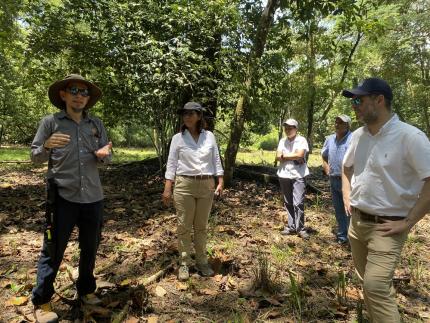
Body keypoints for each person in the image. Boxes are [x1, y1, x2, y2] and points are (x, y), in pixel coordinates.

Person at [341, 77, 430, 322]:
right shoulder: (359, 136)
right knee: (369, 284)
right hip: (357, 225)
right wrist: (347, 196)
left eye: (359, 100)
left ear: (379, 100)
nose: (354, 105)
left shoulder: (411, 137)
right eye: (353, 101)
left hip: (387, 227)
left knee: (375, 286)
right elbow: (346, 168)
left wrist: (408, 222)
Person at [31, 74, 112, 323]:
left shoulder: (95, 124)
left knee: (90, 247)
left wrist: (103, 155)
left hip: (93, 197)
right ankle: (42, 301)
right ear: (63, 95)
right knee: (54, 249)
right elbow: (35, 156)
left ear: (89, 99)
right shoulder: (51, 122)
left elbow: (107, 157)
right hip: (62, 197)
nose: (79, 95)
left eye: (84, 92)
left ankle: (86, 291)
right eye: (74, 90)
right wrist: (46, 147)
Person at [162, 102, 224, 281]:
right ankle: (184, 263)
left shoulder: (209, 136)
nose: (187, 116)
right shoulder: (178, 138)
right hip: (184, 185)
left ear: (199, 116)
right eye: (184, 113)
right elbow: (171, 164)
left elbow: (216, 160)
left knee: (201, 226)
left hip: (206, 185)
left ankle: (202, 261)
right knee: (184, 225)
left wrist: (220, 180)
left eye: (191, 113)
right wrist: (168, 188)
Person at [276, 118, 310, 239]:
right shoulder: (282, 141)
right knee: (288, 202)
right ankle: (291, 226)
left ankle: (300, 228)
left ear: (296, 129)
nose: (288, 130)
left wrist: (284, 156)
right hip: (284, 174)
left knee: (298, 202)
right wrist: (293, 156)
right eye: (286, 128)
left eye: (290, 128)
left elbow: (300, 155)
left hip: (298, 175)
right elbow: (277, 157)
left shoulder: (302, 140)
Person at [321, 115, 352, 244]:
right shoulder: (330, 139)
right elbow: (323, 155)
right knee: (339, 209)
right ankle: (342, 236)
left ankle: (352, 239)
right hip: (334, 179)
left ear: (347, 125)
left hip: (349, 181)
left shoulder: (353, 139)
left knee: (349, 210)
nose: (337, 124)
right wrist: (326, 167)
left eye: (341, 123)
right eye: (336, 122)